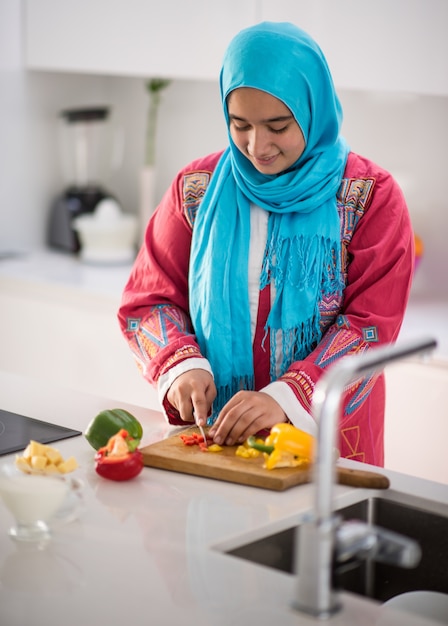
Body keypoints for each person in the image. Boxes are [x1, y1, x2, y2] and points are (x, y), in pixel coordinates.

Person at [118, 21, 414, 467]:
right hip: (213, 440)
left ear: (313, 110)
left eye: (278, 125)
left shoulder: (370, 197)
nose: (258, 146)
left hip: (327, 448)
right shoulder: (194, 190)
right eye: (240, 125)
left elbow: (371, 327)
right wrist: (181, 366)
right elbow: (148, 300)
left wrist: (290, 396)